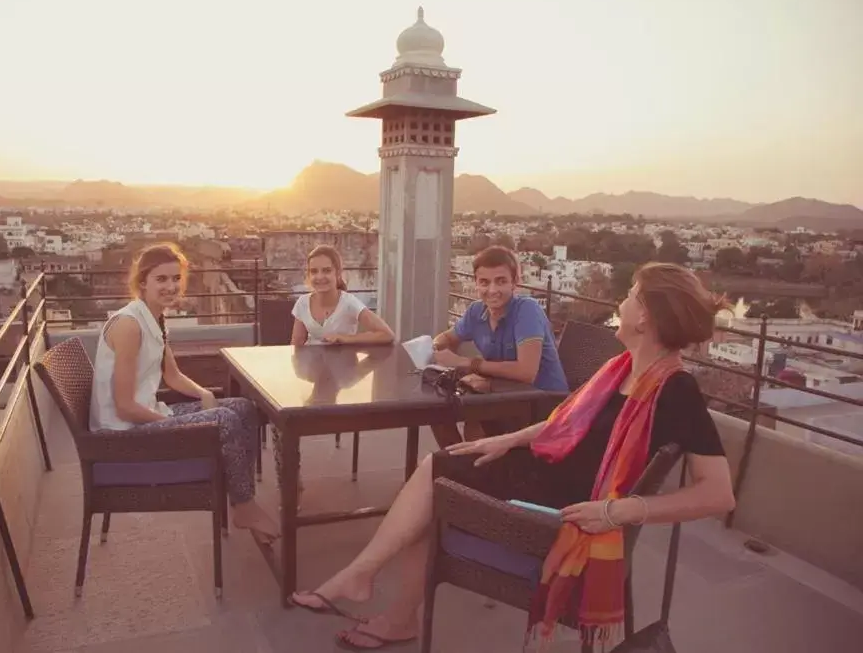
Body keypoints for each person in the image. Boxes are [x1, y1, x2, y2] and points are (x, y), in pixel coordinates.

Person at [290, 262, 736, 651]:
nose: (622, 302)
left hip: (566, 507)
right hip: (546, 474)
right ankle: (374, 590)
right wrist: (506, 440)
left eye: (631, 297)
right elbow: (566, 424)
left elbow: (718, 495)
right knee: (439, 470)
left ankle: (372, 590)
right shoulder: (623, 367)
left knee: (437, 485)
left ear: (648, 318)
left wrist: (620, 510)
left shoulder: (676, 389)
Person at [90, 242, 278, 542]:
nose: (171, 286)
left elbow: (173, 376)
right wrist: (168, 425)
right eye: (161, 279)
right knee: (224, 421)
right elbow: (124, 406)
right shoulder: (129, 325)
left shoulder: (154, 318)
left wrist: (204, 393)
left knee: (243, 408)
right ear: (143, 282)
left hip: (146, 417)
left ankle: (243, 502)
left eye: (176, 278)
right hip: (124, 433)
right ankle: (245, 505)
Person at [431, 245, 568, 446]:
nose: (492, 290)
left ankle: (475, 470)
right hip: (504, 394)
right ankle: (461, 468)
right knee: (439, 411)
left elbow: (526, 372)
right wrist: (436, 346)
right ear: (476, 283)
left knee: (473, 411)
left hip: (544, 405)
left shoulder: (526, 311)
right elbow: (448, 337)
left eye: (501, 281)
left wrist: (466, 363)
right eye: (484, 282)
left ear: (515, 283)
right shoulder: (476, 311)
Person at [291, 245, 395, 347]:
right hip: (311, 362)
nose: (320, 276)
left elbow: (387, 334)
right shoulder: (302, 303)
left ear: (338, 273)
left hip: (344, 363)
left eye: (327, 270)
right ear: (308, 275)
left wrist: (346, 339)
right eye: (314, 271)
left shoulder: (349, 303)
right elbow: (296, 345)